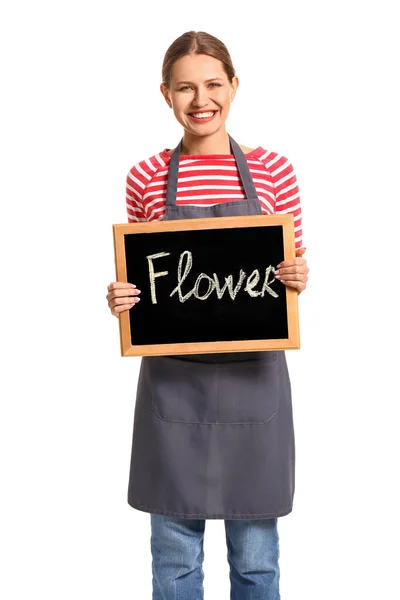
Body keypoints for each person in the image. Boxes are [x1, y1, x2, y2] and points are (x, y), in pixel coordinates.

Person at [106, 30, 309, 600]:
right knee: (173, 561)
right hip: (175, 382)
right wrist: (122, 298)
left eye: (213, 84)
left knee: (256, 561)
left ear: (235, 85)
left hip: (254, 379)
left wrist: (298, 277)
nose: (201, 99)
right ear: (165, 94)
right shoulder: (145, 177)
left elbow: (290, 270)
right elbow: (143, 277)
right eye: (186, 88)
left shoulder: (273, 170)